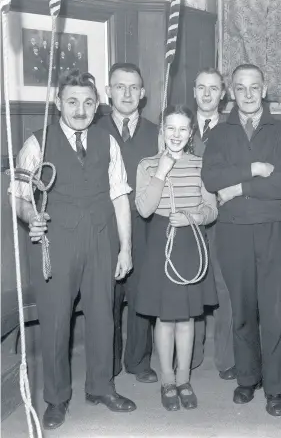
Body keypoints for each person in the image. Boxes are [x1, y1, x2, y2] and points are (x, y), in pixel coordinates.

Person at [9, 70, 137, 430]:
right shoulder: (37, 142)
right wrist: (30, 217)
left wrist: (125, 249)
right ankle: (56, 398)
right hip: (55, 241)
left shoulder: (107, 141)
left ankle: (101, 386)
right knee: (54, 322)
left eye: (87, 102)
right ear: (58, 103)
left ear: (97, 105)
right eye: (72, 101)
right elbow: (18, 196)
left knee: (102, 315)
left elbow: (120, 197)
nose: (80, 109)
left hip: (100, 238)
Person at [201, 64, 281, 417]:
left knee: (273, 308)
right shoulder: (220, 134)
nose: (248, 94)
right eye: (240, 88)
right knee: (241, 308)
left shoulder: (280, 131)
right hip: (233, 229)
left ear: (265, 88)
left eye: (254, 87)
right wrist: (254, 170)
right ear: (232, 92)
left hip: (272, 227)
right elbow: (211, 178)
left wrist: (238, 186)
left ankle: (275, 387)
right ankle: (247, 378)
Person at [135, 104, 218, 411]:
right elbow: (144, 209)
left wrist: (191, 217)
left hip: (190, 241)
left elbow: (212, 210)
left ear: (191, 133)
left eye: (183, 128)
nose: (176, 134)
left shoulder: (200, 165)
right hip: (160, 239)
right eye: (170, 128)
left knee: (186, 317)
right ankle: (167, 379)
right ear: (162, 131)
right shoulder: (147, 165)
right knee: (165, 316)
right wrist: (161, 171)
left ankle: (184, 379)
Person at [96, 63, 159, 385]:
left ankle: (138, 360)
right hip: (104, 227)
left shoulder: (156, 133)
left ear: (143, 93)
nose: (127, 93)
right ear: (107, 92)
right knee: (106, 297)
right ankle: (106, 362)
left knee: (140, 295)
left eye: (134, 87)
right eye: (120, 86)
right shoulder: (93, 131)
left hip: (145, 226)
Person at [188, 68, 236, 380]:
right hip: (187, 218)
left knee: (225, 288)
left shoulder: (233, 129)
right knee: (189, 284)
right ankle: (189, 355)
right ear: (194, 91)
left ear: (223, 94)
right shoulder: (179, 125)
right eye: (202, 88)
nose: (207, 94)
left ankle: (226, 359)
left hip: (223, 217)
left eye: (214, 88)